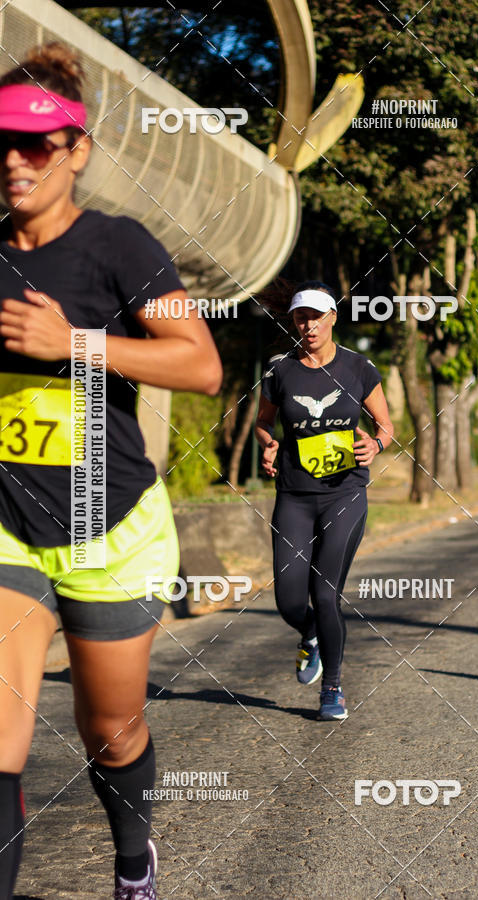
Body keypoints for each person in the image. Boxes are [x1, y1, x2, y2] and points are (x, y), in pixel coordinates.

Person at [0, 43, 222, 899]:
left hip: (110, 527)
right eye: (1, 143)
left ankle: (133, 863)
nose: (15, 160)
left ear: (78, 149)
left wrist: (77, 343)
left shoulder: (119, 248)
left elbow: (199, 365)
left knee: (111, 731)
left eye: (37, 143)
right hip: (11, 530)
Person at [254, 282, 393, 720]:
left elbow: (385, 425)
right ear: (293, 321)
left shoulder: (358, 368)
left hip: (344, 494)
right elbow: (262, 423)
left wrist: (376, 445)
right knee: (290, 601)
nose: (308, 324)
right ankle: (309, 630)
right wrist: (268, 444)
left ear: (333, 316)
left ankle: (332, 688)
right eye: (300, 317)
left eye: (316, 316)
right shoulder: (280, 369)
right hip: (294, 496)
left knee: (325, 591)